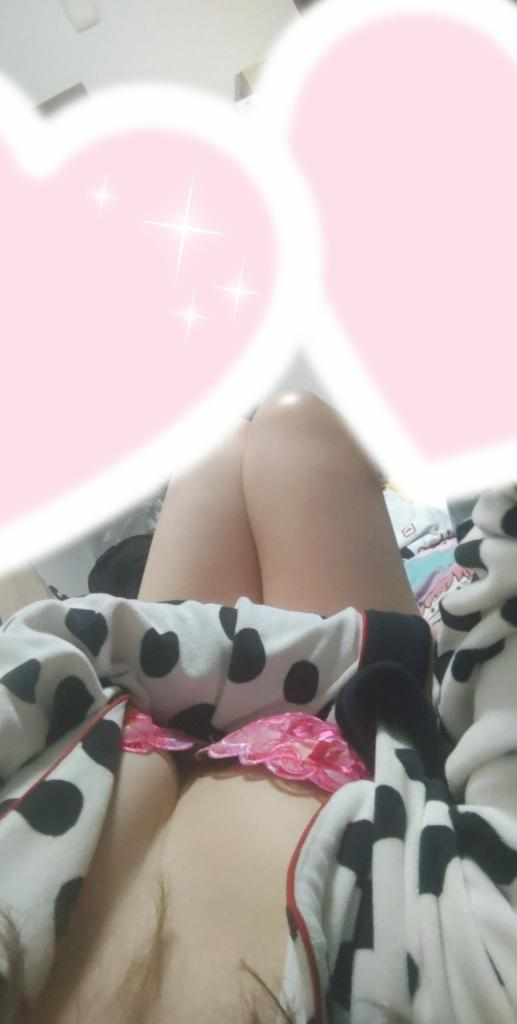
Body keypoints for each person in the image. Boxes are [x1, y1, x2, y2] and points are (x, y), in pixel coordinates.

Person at [0, 389, 516, 1024]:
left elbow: (54, 643)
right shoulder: (437, 988)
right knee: (297, 430)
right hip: (352, 739)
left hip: (167, 687)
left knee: (215, 445)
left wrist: (339, 648)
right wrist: (371, 653)